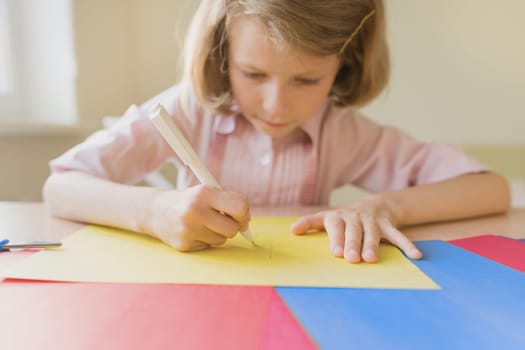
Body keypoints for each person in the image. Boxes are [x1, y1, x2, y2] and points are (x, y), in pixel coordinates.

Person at [43, 0, 510, 263]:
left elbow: (489, 190)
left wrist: (381, 205)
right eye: (253, 74)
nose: (276, 105)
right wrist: (154, 210)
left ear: (345, 65)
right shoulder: (187, 110)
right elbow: (61, 187)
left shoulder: (343, 132)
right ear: (222, 53)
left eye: (307, 80)